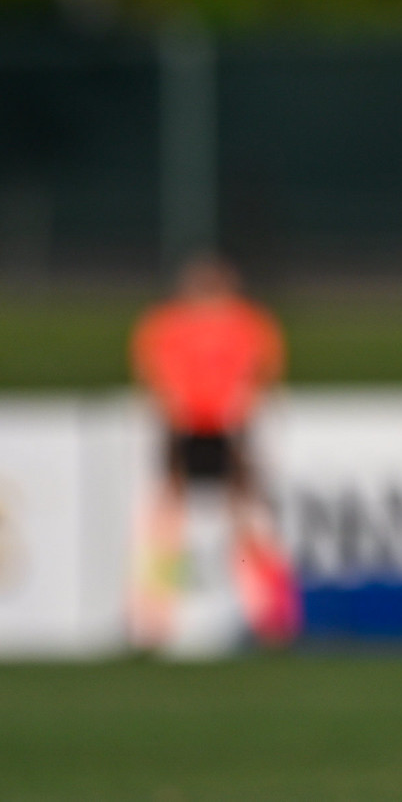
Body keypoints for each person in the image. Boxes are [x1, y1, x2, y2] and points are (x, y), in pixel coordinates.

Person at [129, 254, 297, 648]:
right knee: (168, 520)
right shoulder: (167, 323)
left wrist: (243, 413)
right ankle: (153, 618)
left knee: (250, 518)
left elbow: (263, 375)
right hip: (184, 427)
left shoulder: (248, 322)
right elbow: (154, 377)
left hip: (232, 428)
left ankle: (274, 614)